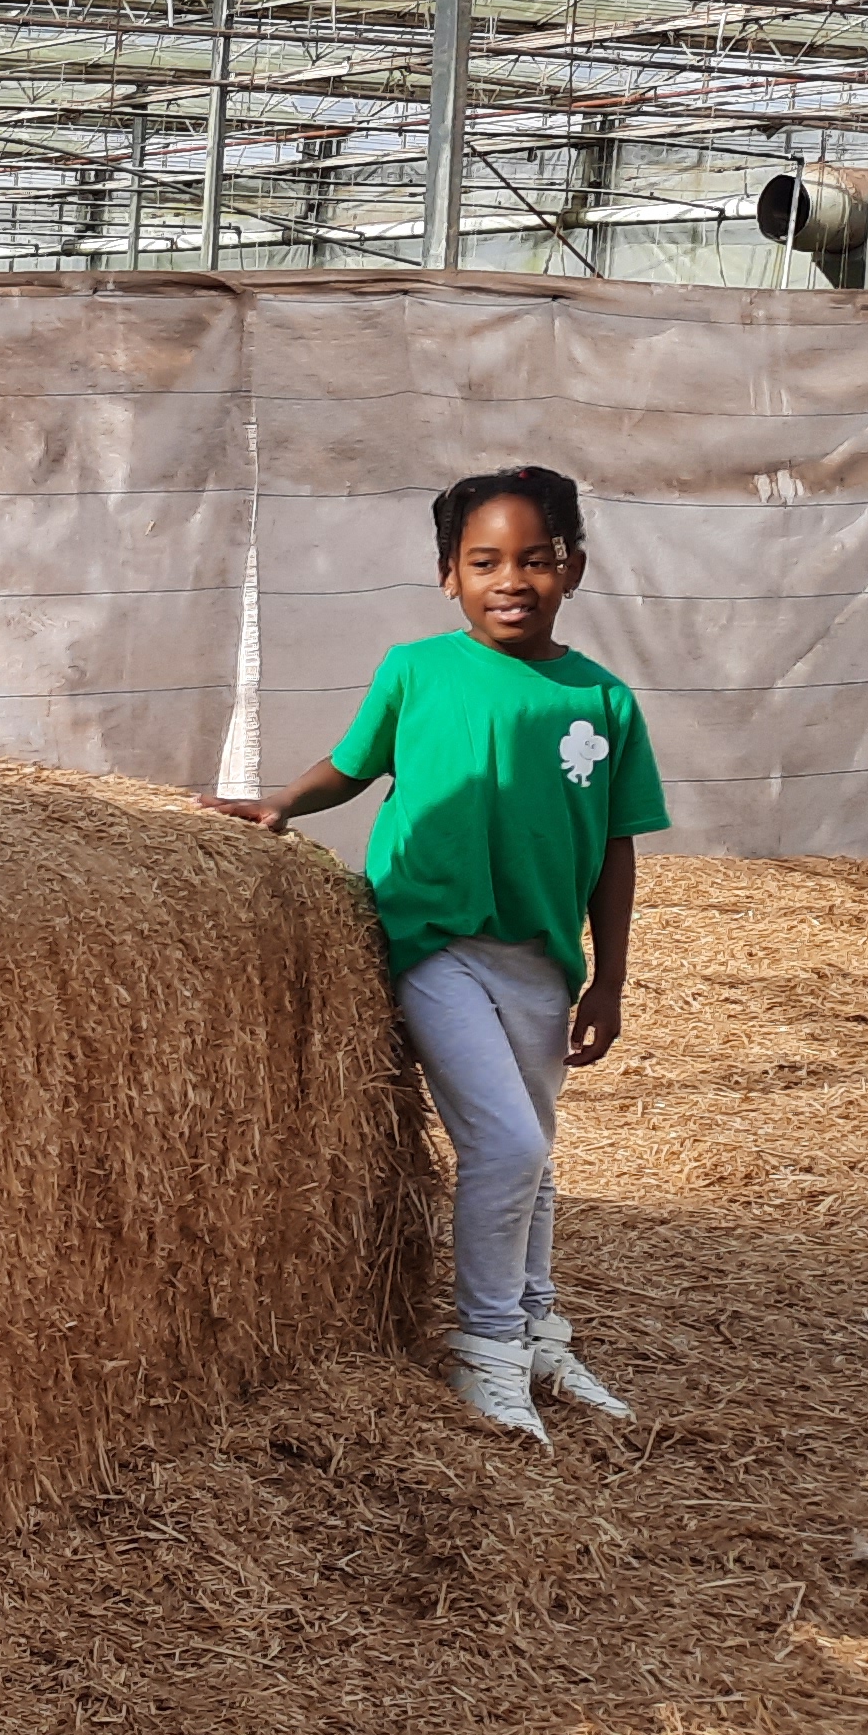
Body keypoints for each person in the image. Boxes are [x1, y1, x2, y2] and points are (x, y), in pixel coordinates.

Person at [203, 467, 668, 1440]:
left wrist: (609, 975)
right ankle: (486, 1352)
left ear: (572, 567)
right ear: (447, 575)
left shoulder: (603, 700)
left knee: (532, 1161)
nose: (512, 579)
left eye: (534, 559)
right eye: (484, 561)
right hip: (432, 944)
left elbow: (615, 844)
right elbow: (353, 763)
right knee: (504, 1146)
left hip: (542, 959)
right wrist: (284, 801)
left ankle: (539, 1331)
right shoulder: (415, 671)